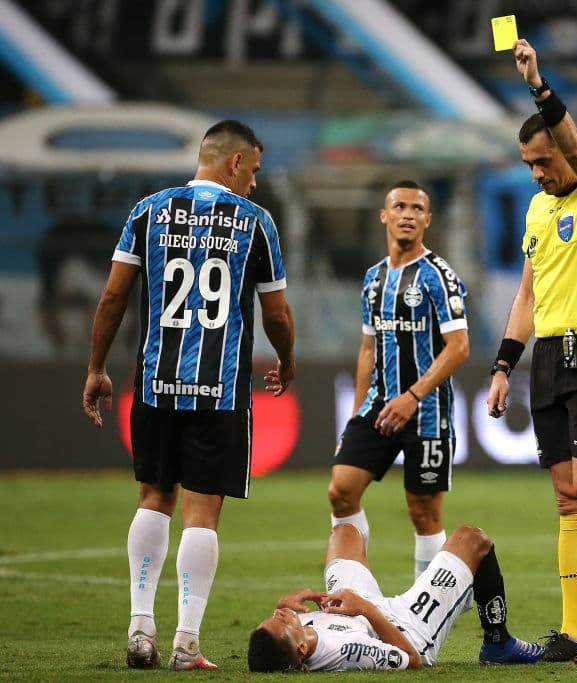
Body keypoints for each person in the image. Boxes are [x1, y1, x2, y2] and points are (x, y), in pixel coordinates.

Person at [82, 119, 295, 671]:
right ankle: (185, 644)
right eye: (254, 169)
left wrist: (97, 367)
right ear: (233, 163)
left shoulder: (147, 211)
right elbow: (276, 312)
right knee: (202, 515)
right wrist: (288, 360)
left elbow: (112, 297)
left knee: (154, 498)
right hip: (219, 391)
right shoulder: (255, 222)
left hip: (157, 383)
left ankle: (139, 629)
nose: (254, 181)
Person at [485, 39, 577, 664]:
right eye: (528, 165)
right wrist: (501, 367)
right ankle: (574, 632)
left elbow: (573, 145)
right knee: (568, 500)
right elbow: (527, 294)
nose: (539, 173)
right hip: (548, 358)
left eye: (543, 161)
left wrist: (538, 85)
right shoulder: (539, 210)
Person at [328, 180, 469, 578]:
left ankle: (428, 607)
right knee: (341, 491)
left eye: (417, 208)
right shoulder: (373, 280)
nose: (408, 214)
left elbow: (458, 346)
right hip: (379, 406)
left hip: (426, 412)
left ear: (427, 219)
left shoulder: (439, 276)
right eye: (400, 206)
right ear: (384, 216)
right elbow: (368, 351)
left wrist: (413, 395)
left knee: (423, 512)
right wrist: (354, 417)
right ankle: (354, 588)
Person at [247, 524, 544, 671]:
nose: (279, 616)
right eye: (281, 622)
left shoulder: (293, 637)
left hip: (355, 609)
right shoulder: (346, 650)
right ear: (300, 648)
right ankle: (498, 643)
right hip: (400, 627)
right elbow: (411, 659)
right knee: (472, 539)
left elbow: (282, 624)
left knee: (344, 533)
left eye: (271, 618)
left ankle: (457, 593)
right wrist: (363, 608)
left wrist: (286, 603)